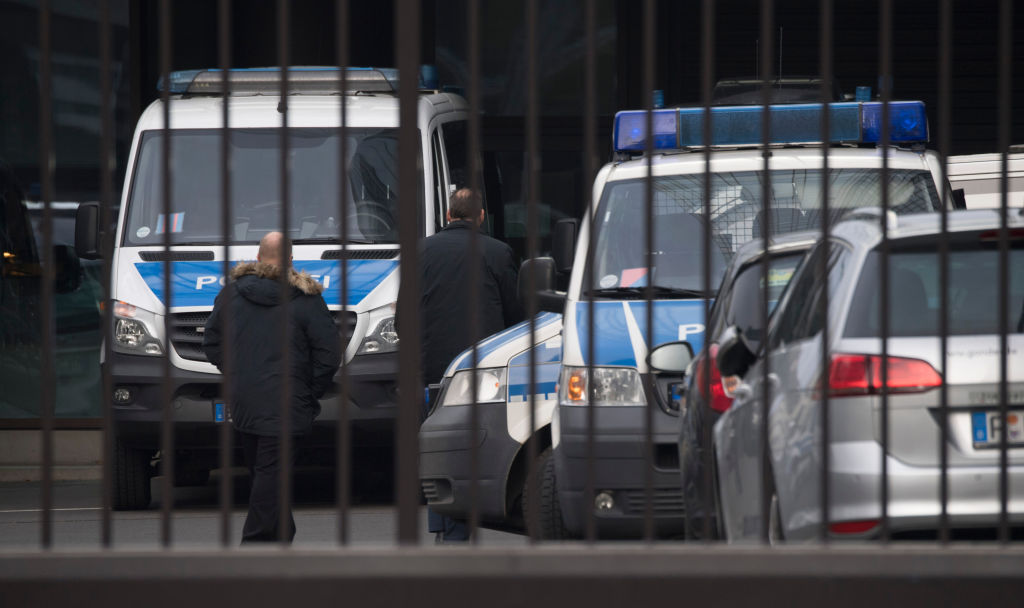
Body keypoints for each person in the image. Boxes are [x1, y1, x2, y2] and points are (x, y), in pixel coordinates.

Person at [203, 231, 341, 543]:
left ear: (257, 258)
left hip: (245, 401)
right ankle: (255, 543)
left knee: (264, 472)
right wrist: (308, 390)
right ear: (291, 260)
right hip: (287, 401)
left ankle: (280, 536)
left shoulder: (231, 295)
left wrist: (237, 374)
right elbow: (329, 354)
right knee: (269, 474)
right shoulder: (306, 298)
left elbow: (211, 342)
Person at [402, 188, 523, 542]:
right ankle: (464, 524)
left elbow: (403, 317)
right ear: (481, 216)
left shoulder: (419, 252)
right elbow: (517, 316)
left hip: (433, 369)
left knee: (438, 447)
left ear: (448, 214)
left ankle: (445, 525)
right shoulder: (497, 252)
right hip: (483, 371)